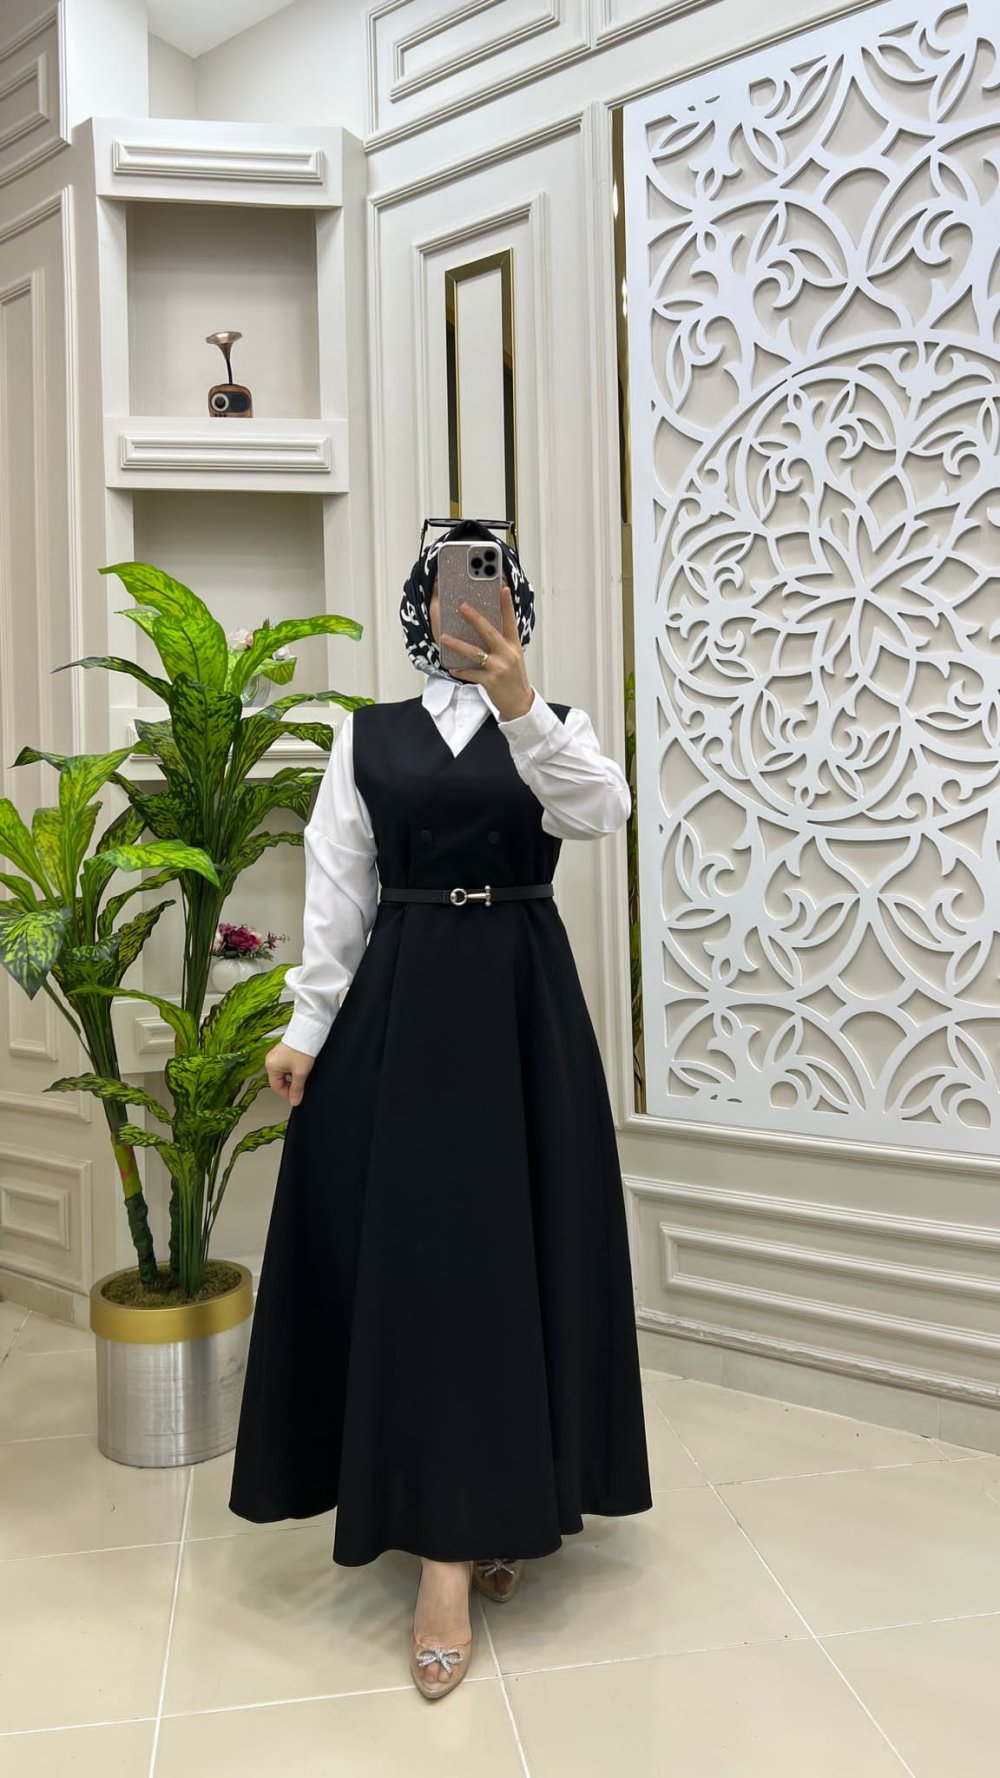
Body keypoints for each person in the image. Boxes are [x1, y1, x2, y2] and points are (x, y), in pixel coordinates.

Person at [227, 519, 653, 1702]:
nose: (468, 604)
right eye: (450, 586)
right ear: (422, 603)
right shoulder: (364, 734)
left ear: (516, 604)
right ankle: (446, 1555)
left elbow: (603, 813)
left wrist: (520, 705)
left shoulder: (553, 725)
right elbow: (337, 889)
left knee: (516, 1259)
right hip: (404, 1005)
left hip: (521, 1008)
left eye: (491, 585)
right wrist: (306, 1026)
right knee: (425, 1266)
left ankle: (497, 1506)